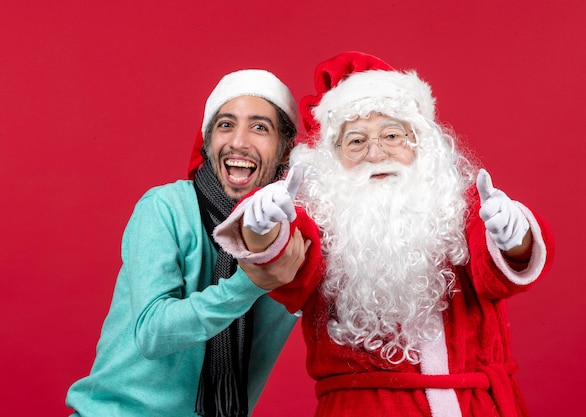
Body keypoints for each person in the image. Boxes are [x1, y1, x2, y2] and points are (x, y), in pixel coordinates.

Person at [213, 52, 554, 417]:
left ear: (419, 143)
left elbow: (499, 276)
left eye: (392, 135)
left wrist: (513, 238)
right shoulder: (320, 218)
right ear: (332, 159)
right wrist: (262, 227)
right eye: (356, 141)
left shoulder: (460, 205)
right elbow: (286, 267)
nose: (376, 153)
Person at [66, 68, 311, 417]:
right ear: (209, 142)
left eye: (259, 127)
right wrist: (248, 284)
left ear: (286, 150)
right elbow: (153, 333)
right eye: (226, 125)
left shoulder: (291, 240)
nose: (239, 141)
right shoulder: (165, 208)